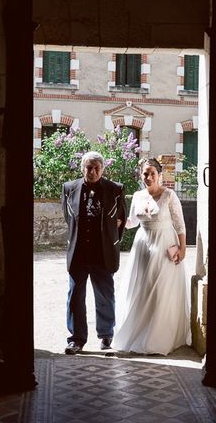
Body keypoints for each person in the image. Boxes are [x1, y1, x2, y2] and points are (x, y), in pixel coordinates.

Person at [113, 158, 191, 355]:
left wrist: (182, 248)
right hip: (143, 245)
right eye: (145, 173)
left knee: (160, 290)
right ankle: (140, 332)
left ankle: (158, 338)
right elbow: (132, 221)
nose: (148, 177)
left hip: (164, 244)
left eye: (152, 174)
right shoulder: (138, 196)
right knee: (142, 288)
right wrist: (116, 222)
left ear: (159, 175)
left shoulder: (169, 195)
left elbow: (180, 224)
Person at [61, 151, 127, 354]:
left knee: (105, 296)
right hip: (79, 252)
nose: (93, 171)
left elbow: (121, 221)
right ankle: (76, 339)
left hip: (103, 253)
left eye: (97, 168)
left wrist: (109, 238)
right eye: (89, 167)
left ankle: (106, 336)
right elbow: (68, 217)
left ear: (103, 169)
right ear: (83, 168)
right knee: (75, 296)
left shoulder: (115, 189)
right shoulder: (69, 188)